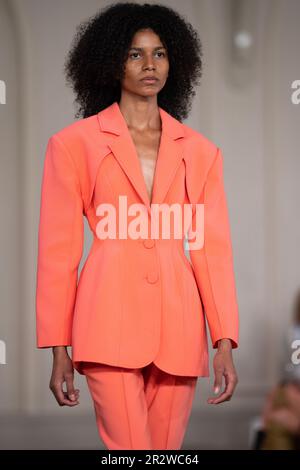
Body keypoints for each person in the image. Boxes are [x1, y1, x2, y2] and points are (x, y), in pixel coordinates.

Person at [35, 2, 239, 450]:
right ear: (111, 61)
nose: (150, 64)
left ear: (175, 61)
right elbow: (58, 253)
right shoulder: (73, 146)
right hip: (107, 321)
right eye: (134, 54)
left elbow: (211, 251)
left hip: (180, 328)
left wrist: (223, 339)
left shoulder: (202, 152)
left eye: (160, 53)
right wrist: (58, 348)